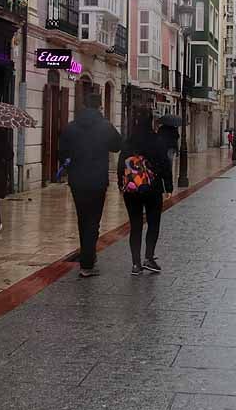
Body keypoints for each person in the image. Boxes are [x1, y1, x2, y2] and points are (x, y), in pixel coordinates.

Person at [58, 94, 122, 277]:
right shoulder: (105, 126)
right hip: (97, 181)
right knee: (94, 220)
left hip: (77, 181)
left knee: (82, 218)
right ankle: (87, 261)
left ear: (84, 105)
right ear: (100, 106)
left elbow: (61, 153)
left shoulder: (71, 127)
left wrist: (70, 164)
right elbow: (117, 145)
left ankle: (88, 255)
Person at [118, 110, 174, 275]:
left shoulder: (129, 141)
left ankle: (136, 264)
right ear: (150, 122)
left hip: (132, 190)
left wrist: (120, 185)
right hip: (152, 188)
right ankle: (148, 258)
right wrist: (168, 187)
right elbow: (165, 165)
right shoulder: (157, 140)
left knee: (135, 226)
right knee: (153, 223)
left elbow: (121, 165)